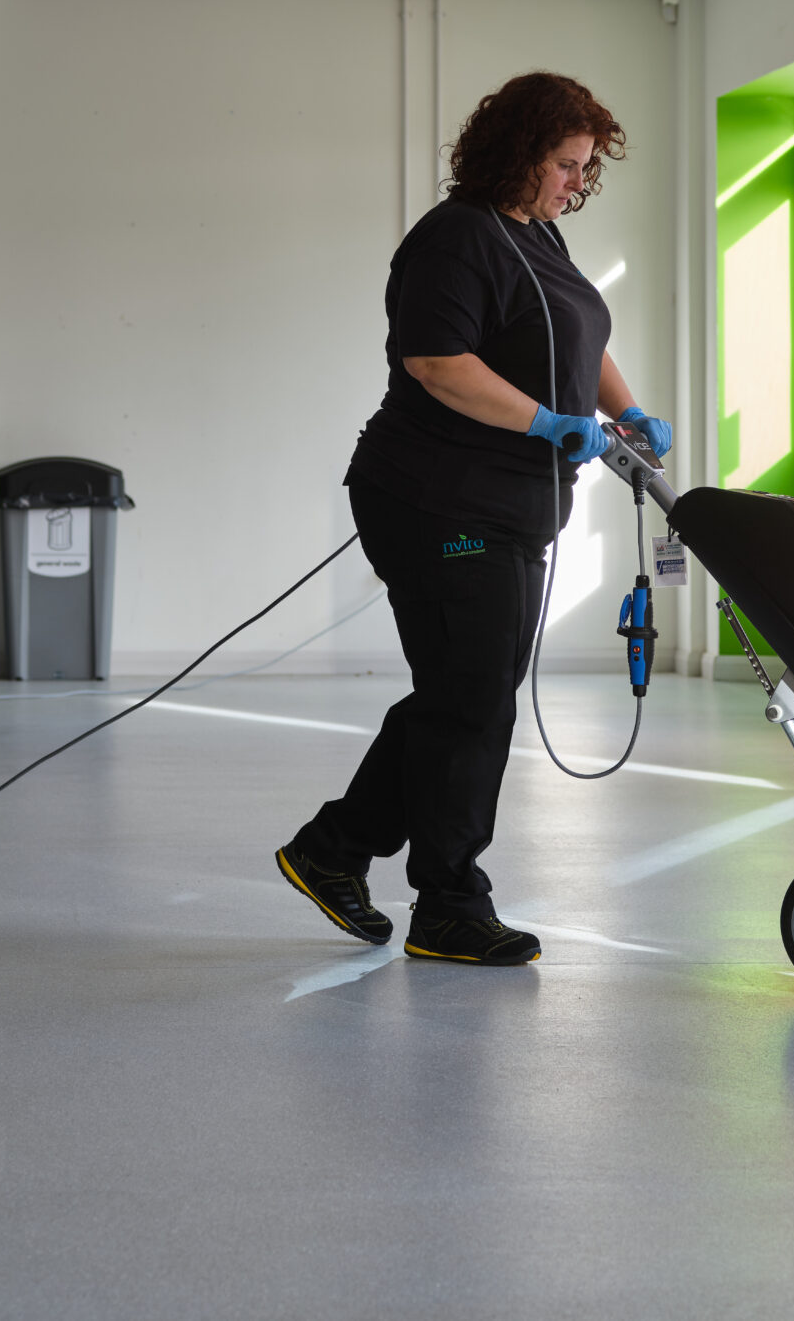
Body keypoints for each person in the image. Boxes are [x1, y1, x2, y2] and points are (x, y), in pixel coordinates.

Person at [275, 72, 674, 966]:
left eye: (584, 168)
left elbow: (582, 336)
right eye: (566, 164)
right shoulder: (457, 239)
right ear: (518, 153)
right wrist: (547, 421)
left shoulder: (541, 234)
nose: (577, 181)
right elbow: (436, 361)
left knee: (464, 692)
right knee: (472, 698)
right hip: (435, 501)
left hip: (511, 505)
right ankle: (449, 902)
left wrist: (626, 410)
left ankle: (334, 851)